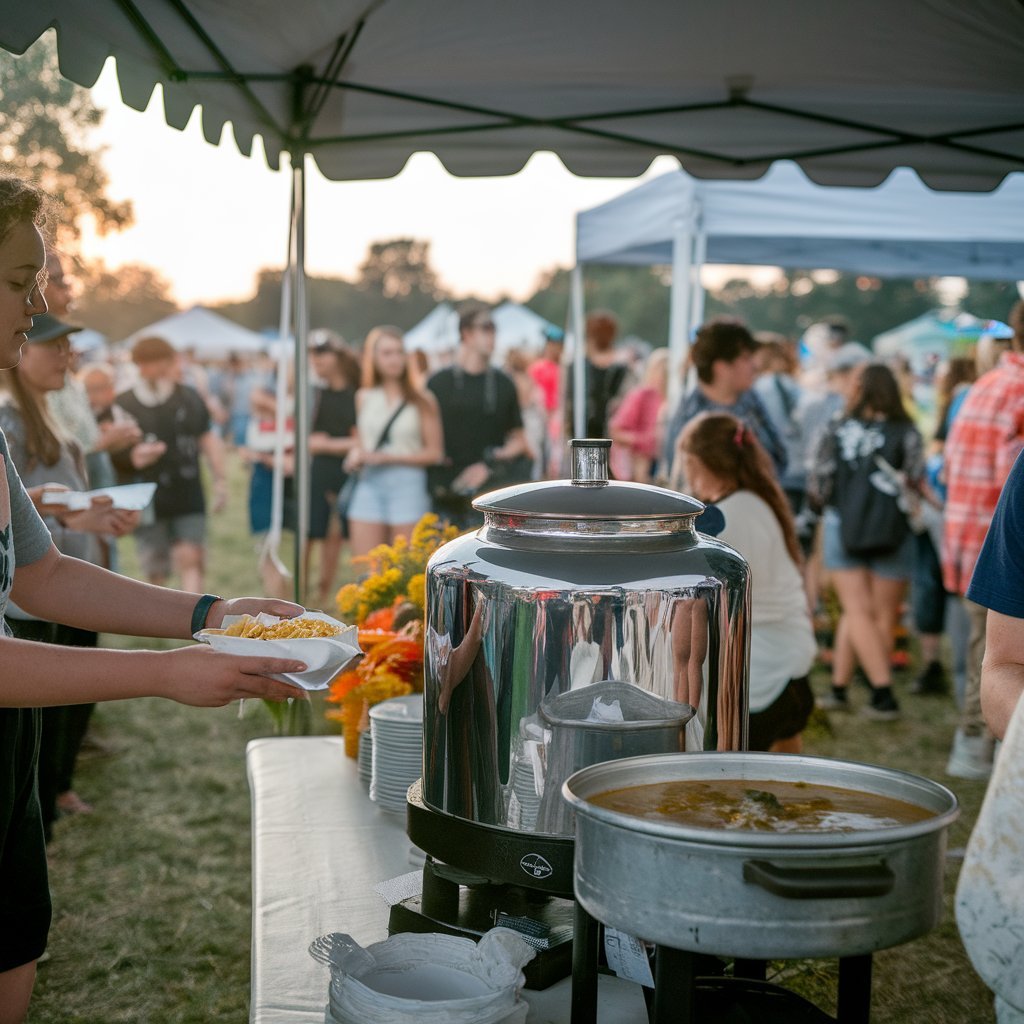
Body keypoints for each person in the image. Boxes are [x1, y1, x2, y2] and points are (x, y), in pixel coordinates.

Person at [0, 174, 308, 1024]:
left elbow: (42, 578)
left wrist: (211, 614)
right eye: (20, 280)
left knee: (16, 947)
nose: (39, 304)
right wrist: (166, 674)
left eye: (41, 280)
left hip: (9, 751)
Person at [0, 311, 140, 836]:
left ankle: (55, 796)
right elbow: (20, 515)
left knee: (69, 709)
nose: (66, 355)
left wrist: (96, 516)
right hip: (30, 599)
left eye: (67, 346)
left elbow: (52, 511)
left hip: (70, 577)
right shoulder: (9, 422)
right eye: (53, 346)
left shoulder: (48, 414)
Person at [677, 412, 816, 752]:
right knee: (786, 785)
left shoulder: (718, 521)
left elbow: (693, 603)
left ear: (696, 463)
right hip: (794, 668)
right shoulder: (760, 502)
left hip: (757, 681)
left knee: (733, 788)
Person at [809, 362, 925, 721]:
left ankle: (870, 691)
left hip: (845, 525)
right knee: (882, 614)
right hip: (892, 530)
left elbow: (820, 483)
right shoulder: (907, 430)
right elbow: (916, 478)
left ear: (857, 389)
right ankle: (862, 690)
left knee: (854, 610)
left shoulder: (836, 426)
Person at [942, 300, 1024, 778]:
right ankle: (974, 747)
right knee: (989, 656)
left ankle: (971, 743)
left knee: (979, 650)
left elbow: (949, 465)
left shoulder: (984, 385)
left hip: (969, 534)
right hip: (998, 541)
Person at [114, 335, 228, 593]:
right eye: (139, 364)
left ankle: (194, 621)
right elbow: (112, 453)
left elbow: (207, 438)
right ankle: (158, 618)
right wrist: (133, 457)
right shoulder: (124, 402)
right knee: (154, 565)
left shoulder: (189, 397)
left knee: (191, 557)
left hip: (187, 490)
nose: (143, 369)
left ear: (167, 362)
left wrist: (221, 481)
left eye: (149, 363)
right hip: (145, 494)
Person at [426, 304, 530, 529]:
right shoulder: (437, 383)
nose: (493, 335)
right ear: (466, 333)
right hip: (445, 490)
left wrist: (489, 463)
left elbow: (519, 441)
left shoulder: (504, 384)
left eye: (494, 328)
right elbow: (424, 439)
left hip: (490, 489)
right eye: (486, 327)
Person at [346, 325, 443, 555]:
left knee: (404, 565)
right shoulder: (363, 397)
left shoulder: (423, 399)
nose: (395, 359)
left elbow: (435, 452)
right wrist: (355, 455)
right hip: (369, 481)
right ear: (374, 358)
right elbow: (361, 442)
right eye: (387, 353)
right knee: (367, 567)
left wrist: (389, 458)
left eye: (399, 352)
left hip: (408, 483)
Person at [663, 318, 787, 484]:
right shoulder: (691, 418)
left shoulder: (752, 401)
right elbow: (684, 483)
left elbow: (780, 461)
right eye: (746, 358)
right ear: (720, 366)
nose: (754, 365)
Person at [307, 333, 360, 605]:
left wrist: (326, 444)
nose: (316, 360)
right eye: (312, 355)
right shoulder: (315, 394)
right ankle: (305, 593)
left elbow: (360, 440)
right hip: (318, 470)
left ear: (337, 356)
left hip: (345, 469)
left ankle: (325, 594)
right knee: (310, 533)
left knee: (336, 536)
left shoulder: (355, 394)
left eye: (322, 353)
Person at [564, 309, 629, 440]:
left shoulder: (577, 367)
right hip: (611, 436)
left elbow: (568, 402)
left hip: (586, 435)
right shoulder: (624, 367)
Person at [609, 347, 669, 483]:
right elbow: (616, 431)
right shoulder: (642, 395)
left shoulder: (674, 398)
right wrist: (644, 441)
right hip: (641, 465)